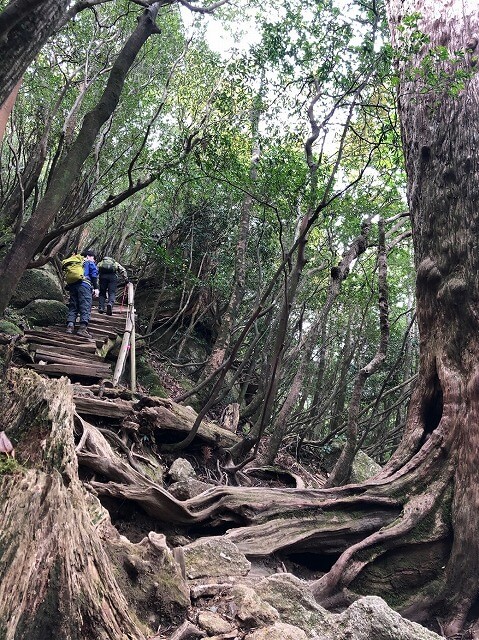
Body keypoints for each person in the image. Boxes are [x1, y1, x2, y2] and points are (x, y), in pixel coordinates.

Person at [65, 249, 99, 338]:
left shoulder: (75, 263)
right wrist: (96, 288)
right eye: (93, 258)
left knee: (73, 305)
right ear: (88, 256)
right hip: (84, 285)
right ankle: (82, 329)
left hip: (73, 286)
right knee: (85, 305)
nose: (94, 260)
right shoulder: (89, 263)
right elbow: (94, 275)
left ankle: (70, 326)